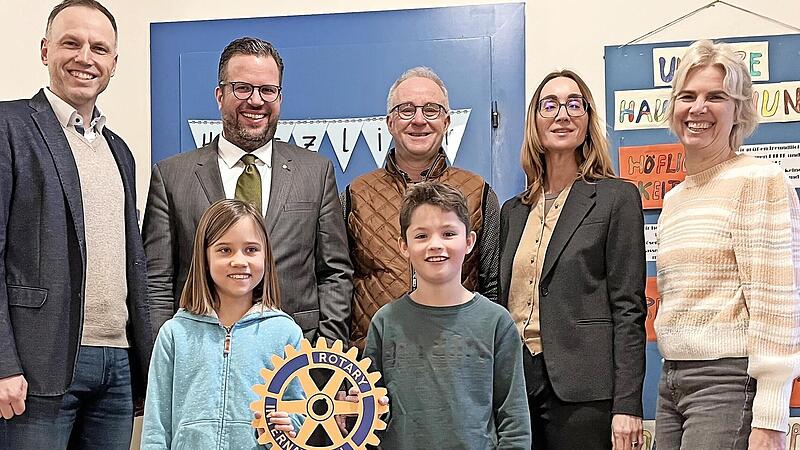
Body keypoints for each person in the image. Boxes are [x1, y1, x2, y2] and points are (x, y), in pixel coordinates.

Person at [0, 1, 153, 448]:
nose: (85, 57)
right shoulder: (8, 127)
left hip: (118, 367)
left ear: (113, 64)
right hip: (35, 366)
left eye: (99, 48)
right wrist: (3, 363)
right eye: (72, 42)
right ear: (45, 50)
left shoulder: (119, 149)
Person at [143, 37, 353, 344]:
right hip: (201, 355)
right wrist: (163, 361)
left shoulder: (316, 173)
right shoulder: (172, 176)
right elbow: (156, 282)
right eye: (242, 88)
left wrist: (324, 359)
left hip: (294, 360)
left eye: (268, 90)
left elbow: (335, 274)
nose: (256, 101)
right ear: (220, 94)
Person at [655, 39, 800, 450]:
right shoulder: (675, 198)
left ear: (738, 110)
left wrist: (770, 421)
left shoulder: (759, 181)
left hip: (729, 383)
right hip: (671, 381)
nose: (698, 108)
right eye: (688, 96)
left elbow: (778, 305)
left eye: (715, 97)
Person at [499, 70, 646, 449]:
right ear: (535, 121)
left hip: (584, 392)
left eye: (573, 104)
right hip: (517, 386)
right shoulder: (513, 211)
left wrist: (627, 405)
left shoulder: (617, 198)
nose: (562, 114)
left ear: (587, 120)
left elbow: (630, 309)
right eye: (550, 105)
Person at [362, 181, 530, 449]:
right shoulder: (385, 322)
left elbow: (515, 422)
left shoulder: (496, 322)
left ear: (469, 241)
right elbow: (369, 412)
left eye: (448, 233)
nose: (435, 245)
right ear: (403, 246)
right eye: (421, 236)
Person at [343, 66, 500, 350]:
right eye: (406, 110)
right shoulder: (356, 194)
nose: (418, 120)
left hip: (458, 357)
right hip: (373, 367)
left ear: (447, 121)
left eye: (431, 110)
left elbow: (492, 285)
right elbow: (339, 286)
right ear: (390, 123)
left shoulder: (478, 192)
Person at [142, 199, 304, 449]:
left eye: (251, 249)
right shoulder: (175, 334)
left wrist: (290, 423)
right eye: (225, 250)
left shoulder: (286, 334)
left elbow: (300, 411)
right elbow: (156, 426)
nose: (239, 261)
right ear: (204, 257)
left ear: (266, 255)